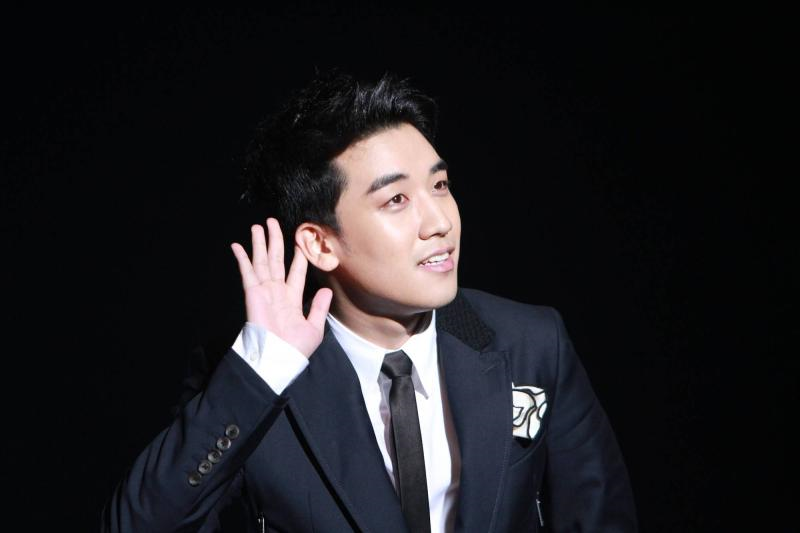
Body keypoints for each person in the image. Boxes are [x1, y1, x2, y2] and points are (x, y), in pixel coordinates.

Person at [102, 70, 637, 532]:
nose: (440, 221)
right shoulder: (255, 378)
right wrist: (265, 372)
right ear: (320, 244)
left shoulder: (531, 343)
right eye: (396, 199)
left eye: (441, 185)